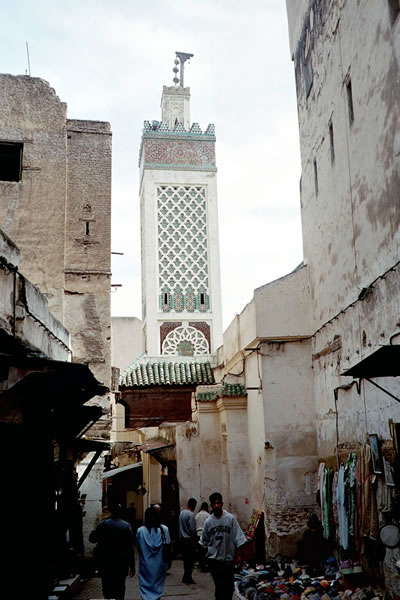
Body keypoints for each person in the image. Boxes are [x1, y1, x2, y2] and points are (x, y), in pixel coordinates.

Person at [200, 492, 246, 600]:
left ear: (222, 503)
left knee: (229, 588)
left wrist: (239, 556)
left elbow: (239, 538)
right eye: (214, 503)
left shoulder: (230, 519)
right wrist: (203, 559)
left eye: (218, 503)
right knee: (220, 587)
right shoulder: (208, 522)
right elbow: (203, 542)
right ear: (211, 505)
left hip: (228, 561)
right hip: (215, 561)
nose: (216, 506)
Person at [89, 499, 135, 600]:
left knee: (107, 587)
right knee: (120, 586)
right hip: (121, 562)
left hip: (106, 562)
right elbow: (130, 548)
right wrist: (132, 565)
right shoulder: (126, 526)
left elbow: (92, 539)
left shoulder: (103, 524)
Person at [136, 506, 171, 600]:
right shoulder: (164, 529)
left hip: (145, 566)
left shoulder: (140, 531)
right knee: (157, 588)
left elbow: (138, 547)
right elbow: (168, 547)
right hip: (160, 565)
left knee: (145, 588)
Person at [179, 497, 197, 584]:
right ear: (193, 505)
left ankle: (185, 576)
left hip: (182, 539)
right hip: (189, 540)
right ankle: (188, 576)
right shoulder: (191, 515)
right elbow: (193, 529)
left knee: (186, 559)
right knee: (191, 560)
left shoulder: (182, 513)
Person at [195, 501, 209, 571]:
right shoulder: (208, 515)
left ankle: (201, 564)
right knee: (205, 551)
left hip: (198, 534)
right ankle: (204, 565)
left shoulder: (197, 515)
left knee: (200, 552)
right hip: (204, 535)